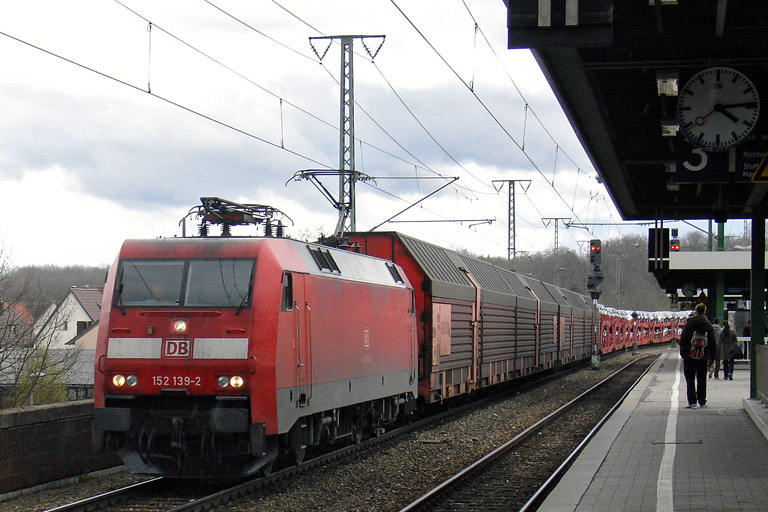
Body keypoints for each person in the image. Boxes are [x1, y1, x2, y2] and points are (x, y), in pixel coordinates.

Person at [679, 303, 717, 409]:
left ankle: (692, 401)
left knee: (690, 379)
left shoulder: (689, 324)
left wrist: (683, 354)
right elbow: (713, 343)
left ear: (695, 311)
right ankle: (702, 401)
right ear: (704, 312)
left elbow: (683, 340)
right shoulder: (708, 326)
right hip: (703, 356)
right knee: (701, 379)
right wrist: (712, 358)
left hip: (689, 356)